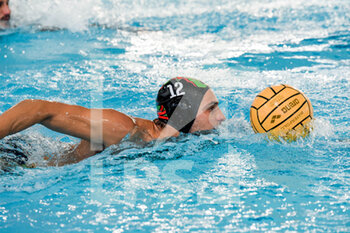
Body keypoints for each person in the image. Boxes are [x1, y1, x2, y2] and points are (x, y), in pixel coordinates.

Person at [0, 77, 226, 167]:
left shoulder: (172, 140)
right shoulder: (125, 129)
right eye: (211, 108)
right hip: (17, 161)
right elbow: (38, 109)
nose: (221, 116)